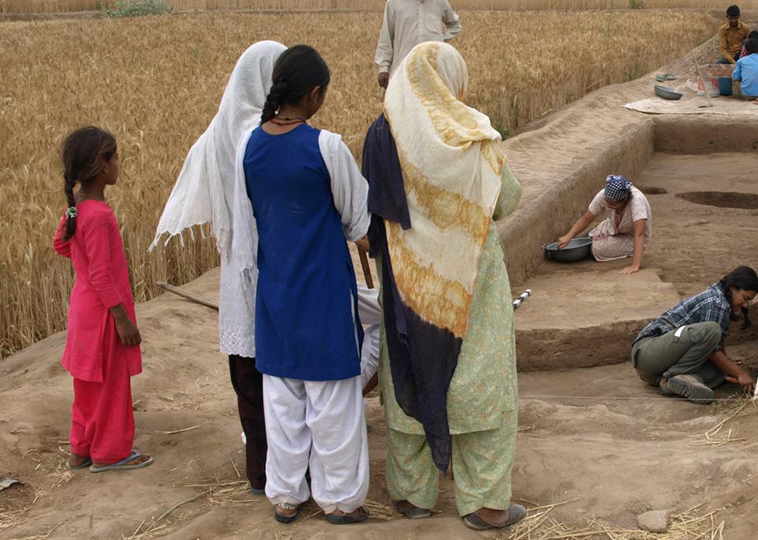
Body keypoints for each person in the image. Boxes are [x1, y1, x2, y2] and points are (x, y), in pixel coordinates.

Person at [363, 41, 527, 531]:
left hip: (411, 287)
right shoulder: (471, 133)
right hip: (471, 285)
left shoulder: (382, 133)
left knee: (411, 369)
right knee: (481, 379)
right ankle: (484, 503)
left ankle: (413, 496)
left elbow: (372, 209)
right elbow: (506, 200)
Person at [230, 45, 372, 525]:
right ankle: (338, 500)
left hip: (276, 293)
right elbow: (357, 221)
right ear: (313, 95)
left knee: (283, 399)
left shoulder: (248, 147)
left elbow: (246, 234)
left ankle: (286, 495)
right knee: (333, 403)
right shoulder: (326, 147)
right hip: (326, 295)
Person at [150, 40, 285, 494]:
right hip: (272, 268)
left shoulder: (218, 131)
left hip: (236, 277)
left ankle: (259, 472)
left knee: (247, 375)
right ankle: (286, 474)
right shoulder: (264, 134)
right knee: (281, 379)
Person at [54, 126, 153, 474]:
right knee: (111, 386)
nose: (118, 163)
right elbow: (101, 274)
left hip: (83, 310)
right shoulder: (99, 215)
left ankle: (80, 449)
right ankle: (111, 453)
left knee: (86, 386)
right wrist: (122, 318)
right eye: (114, 157)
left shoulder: (76, 208)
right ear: (100, 164)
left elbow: (62, 245)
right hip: (104, 315)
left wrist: (83, 257)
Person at [632, 266, 758, 404]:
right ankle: (673, 377)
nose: (746, 305)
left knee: (720, 372)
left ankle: (672, 383)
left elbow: (717, 346)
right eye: (745, 298)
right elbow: (713, 350)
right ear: (732, 288)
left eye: (749, 301)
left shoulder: (723, 302)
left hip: (655, 372)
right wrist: (740, 373)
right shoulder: (716, 302)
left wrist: (729, 368)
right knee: (712, 330)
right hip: (647, 352)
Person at [375, 0, 462, 89]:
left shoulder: (440, 2)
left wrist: (440, 41)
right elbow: (386, 36)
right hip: (402, 69)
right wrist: (383, 68)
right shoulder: (394, 2)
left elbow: (455, 25)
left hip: (433, 70)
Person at [556, 175, 652, 274]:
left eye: (612, 204)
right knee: (590, 236)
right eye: (607, 203)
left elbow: (640, 233)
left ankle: (626, 250)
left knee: (597, 249)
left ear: (623, 201)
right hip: (612, 226)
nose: (609, 205)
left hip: (632, 236)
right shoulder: (603, 196)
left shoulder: (637, 202)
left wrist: (635, 265)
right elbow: (586, 219)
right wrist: (569, 235)